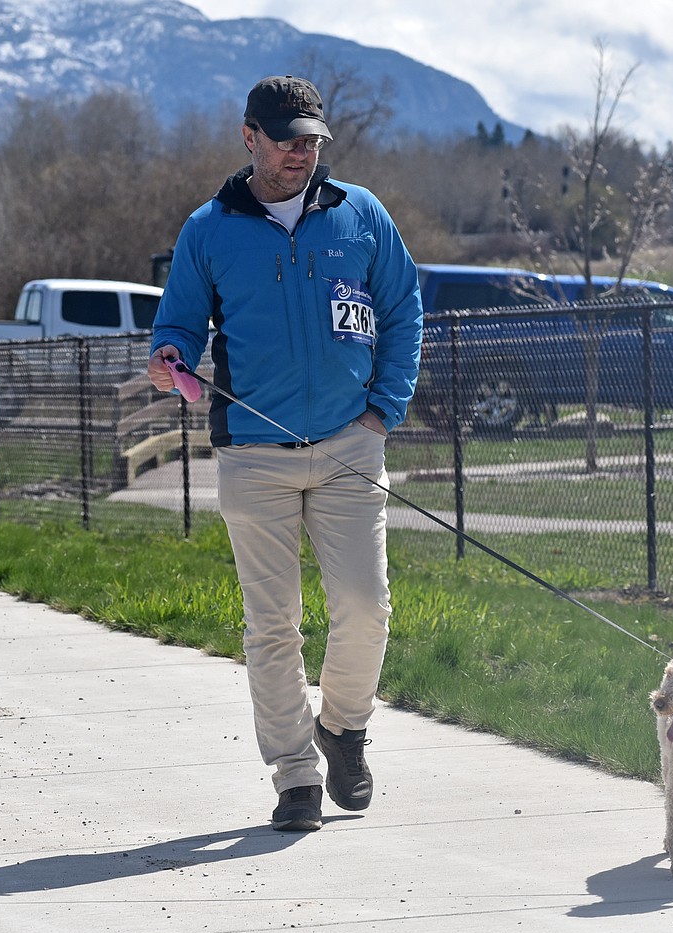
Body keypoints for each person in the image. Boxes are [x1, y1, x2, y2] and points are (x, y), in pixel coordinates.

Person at [147, 75, 422, 832]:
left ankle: (344, 728)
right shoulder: (209, 229)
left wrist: (381, 412)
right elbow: (178, 325)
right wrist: (169, 353)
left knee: (366, 607)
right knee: (273, 625)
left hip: (347, 444)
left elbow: (403, 310)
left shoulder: (360, 215)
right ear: (250, 137)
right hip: (254, 454)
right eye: (286, 139)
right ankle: (296, 774)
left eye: (311, 140)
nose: (301, 153)